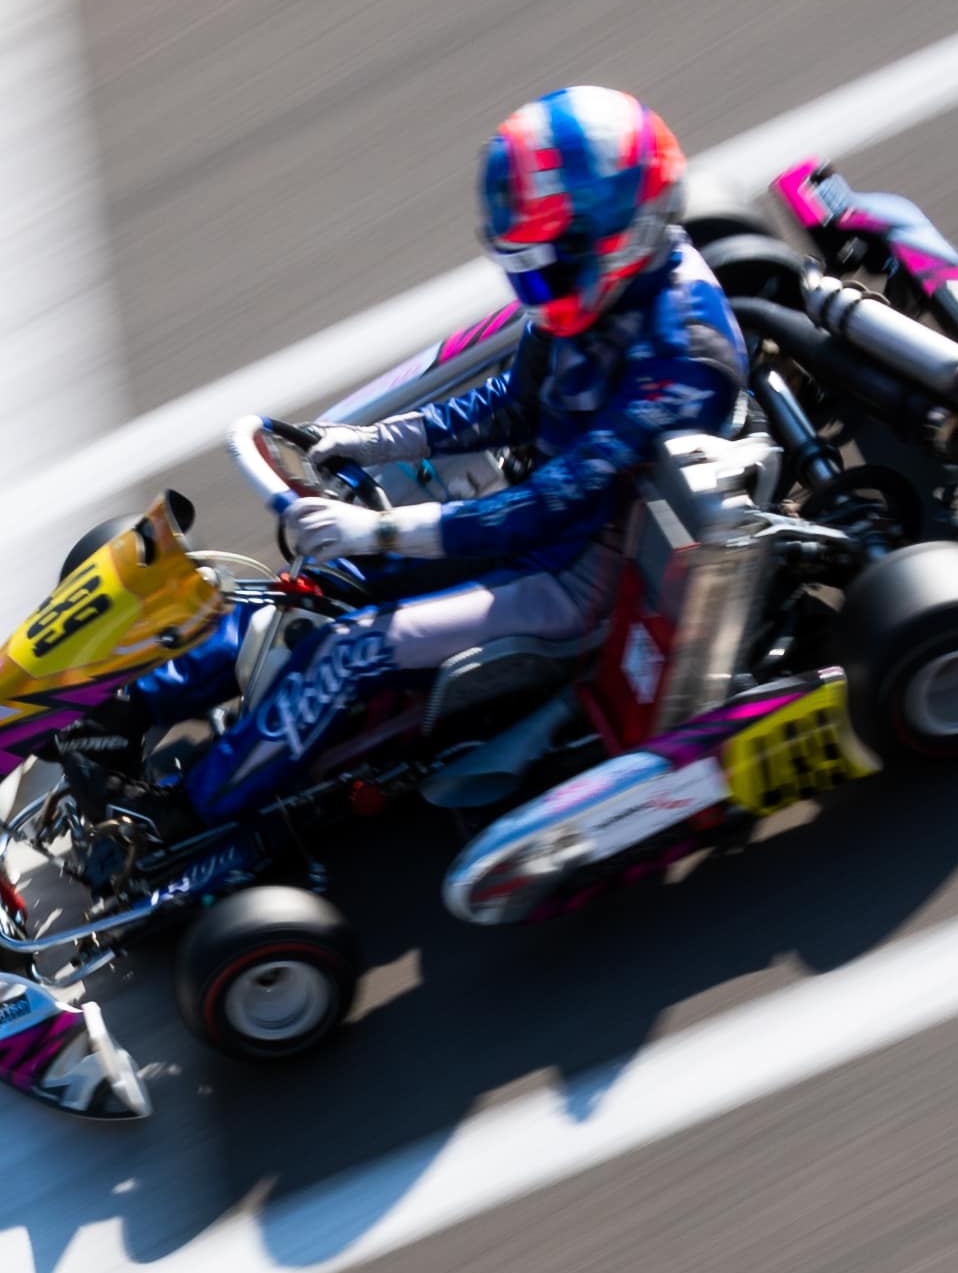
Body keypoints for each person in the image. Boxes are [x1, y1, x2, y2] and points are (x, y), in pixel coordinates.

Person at [169, 85, 757, 826]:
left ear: (621, 237)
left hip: (581, 582)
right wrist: (369, 440)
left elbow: (551, 505)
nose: (533, 287)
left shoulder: (684, 359)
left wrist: (379, 530)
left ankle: (182, 823)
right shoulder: (596, 293)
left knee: (347, 650)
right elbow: (510, 403)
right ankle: (129, 703)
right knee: (315, 587)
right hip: (534, 531)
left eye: (546, 266)